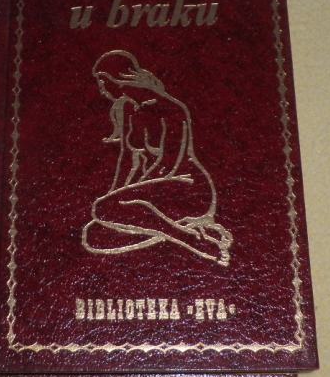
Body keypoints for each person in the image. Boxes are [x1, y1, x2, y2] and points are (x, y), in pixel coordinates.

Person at [81, 50, 233, 267]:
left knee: (103, 210)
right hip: (151, 191)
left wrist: (120, 203)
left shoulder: (171, 109)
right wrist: (117, 197)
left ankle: (193, 241)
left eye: (102, 81)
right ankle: (188, 230)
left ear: (116, 78)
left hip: (186, 187)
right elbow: (127, 162)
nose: (102, 89)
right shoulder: (126, 109)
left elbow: (169, 163)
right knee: (94, 234)